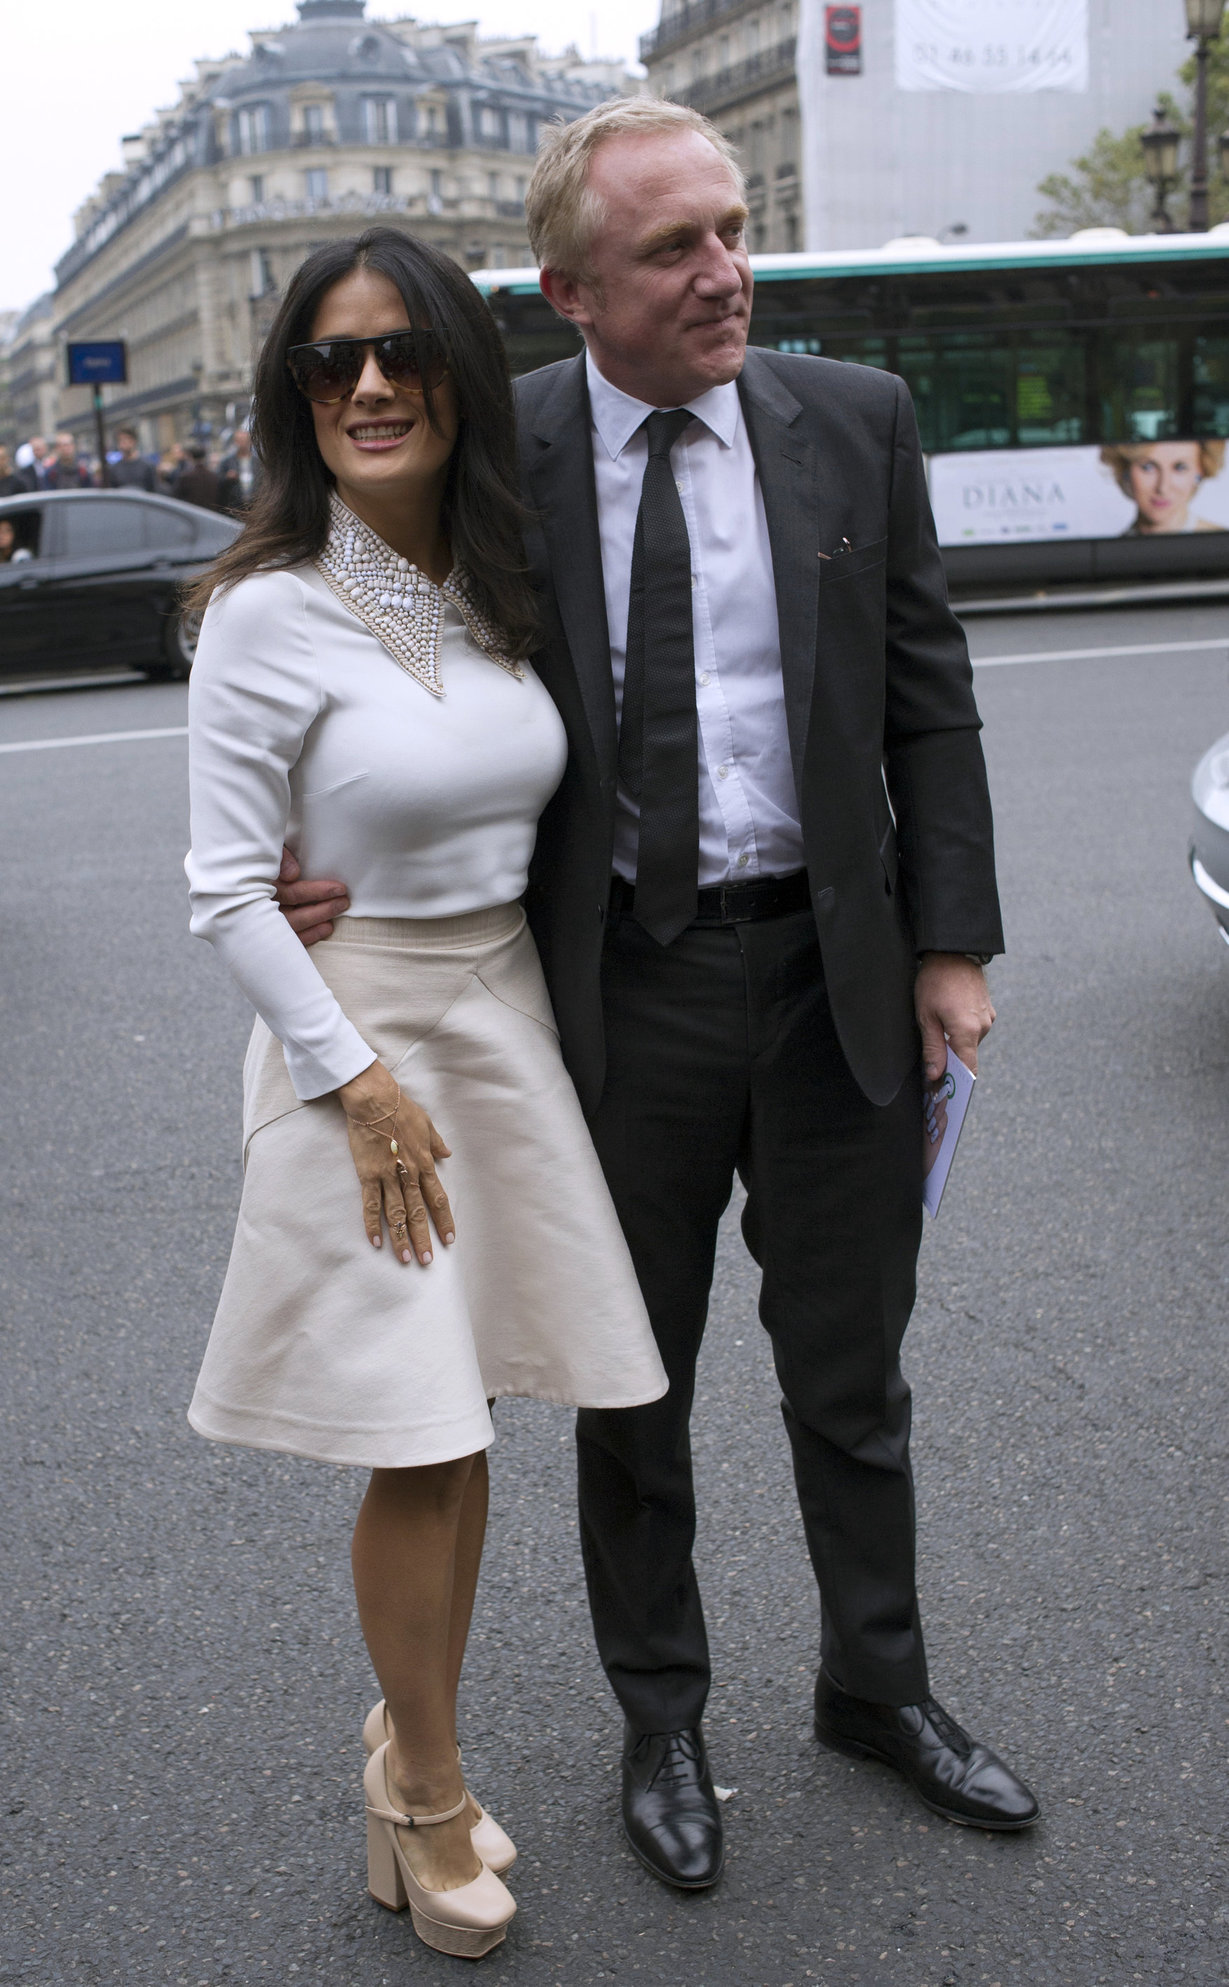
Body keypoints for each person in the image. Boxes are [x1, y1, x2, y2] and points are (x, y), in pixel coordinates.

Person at [279, 98, 1040, 1890]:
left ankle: (878, 1682)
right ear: (567, 292)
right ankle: (662, 1718)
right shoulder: (495, 448)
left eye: (729, 228)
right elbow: (352, 643)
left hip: (834, 972)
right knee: (635, 1386)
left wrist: (950, 944)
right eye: (673, 249)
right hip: (616, 988)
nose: (725, 271)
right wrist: (307, 850)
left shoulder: (854, 420)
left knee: (848, 1371)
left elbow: (924, 692)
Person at [183, 226, 666, 1960]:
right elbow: (228, 892)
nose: (368, 384)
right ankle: (426, 1793)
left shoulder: (490, 580)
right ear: (293, 397)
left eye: (400, 353)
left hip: (498, 1019)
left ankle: (409, 1739)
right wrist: (356, 1080)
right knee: (421, 1434)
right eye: (329, 362)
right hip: (358, 1047)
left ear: (461, 373)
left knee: (473, 1439)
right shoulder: (265, 609)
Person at [1101, 438, 1227, 534]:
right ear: (1125, 470)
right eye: (1148, 467)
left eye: (1180, 467)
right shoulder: (1106, 558)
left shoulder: (1222, 545)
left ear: (1200, 471)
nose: (1163, 487)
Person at [217, 426, 263, 514]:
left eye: (244, 441)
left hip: (255, 507)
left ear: (250, 442)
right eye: (239, 441)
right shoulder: (227, 461)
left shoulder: (258, 462)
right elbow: (218, 480)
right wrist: (227, 477)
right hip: (234, 506)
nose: (242, 444)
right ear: (235, 442)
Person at [109, 426, 157, 491]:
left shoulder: (147, 466)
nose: (124, 442)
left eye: (127, 439)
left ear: (134, 441)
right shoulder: (114, 469)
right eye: (120, 440)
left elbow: (153, 490)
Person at [175, 443, 220, 509]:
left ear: (190, 457)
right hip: (211, 515)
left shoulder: (185, 477)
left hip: (192, 514)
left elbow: (177, 498)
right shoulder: (214, 477)